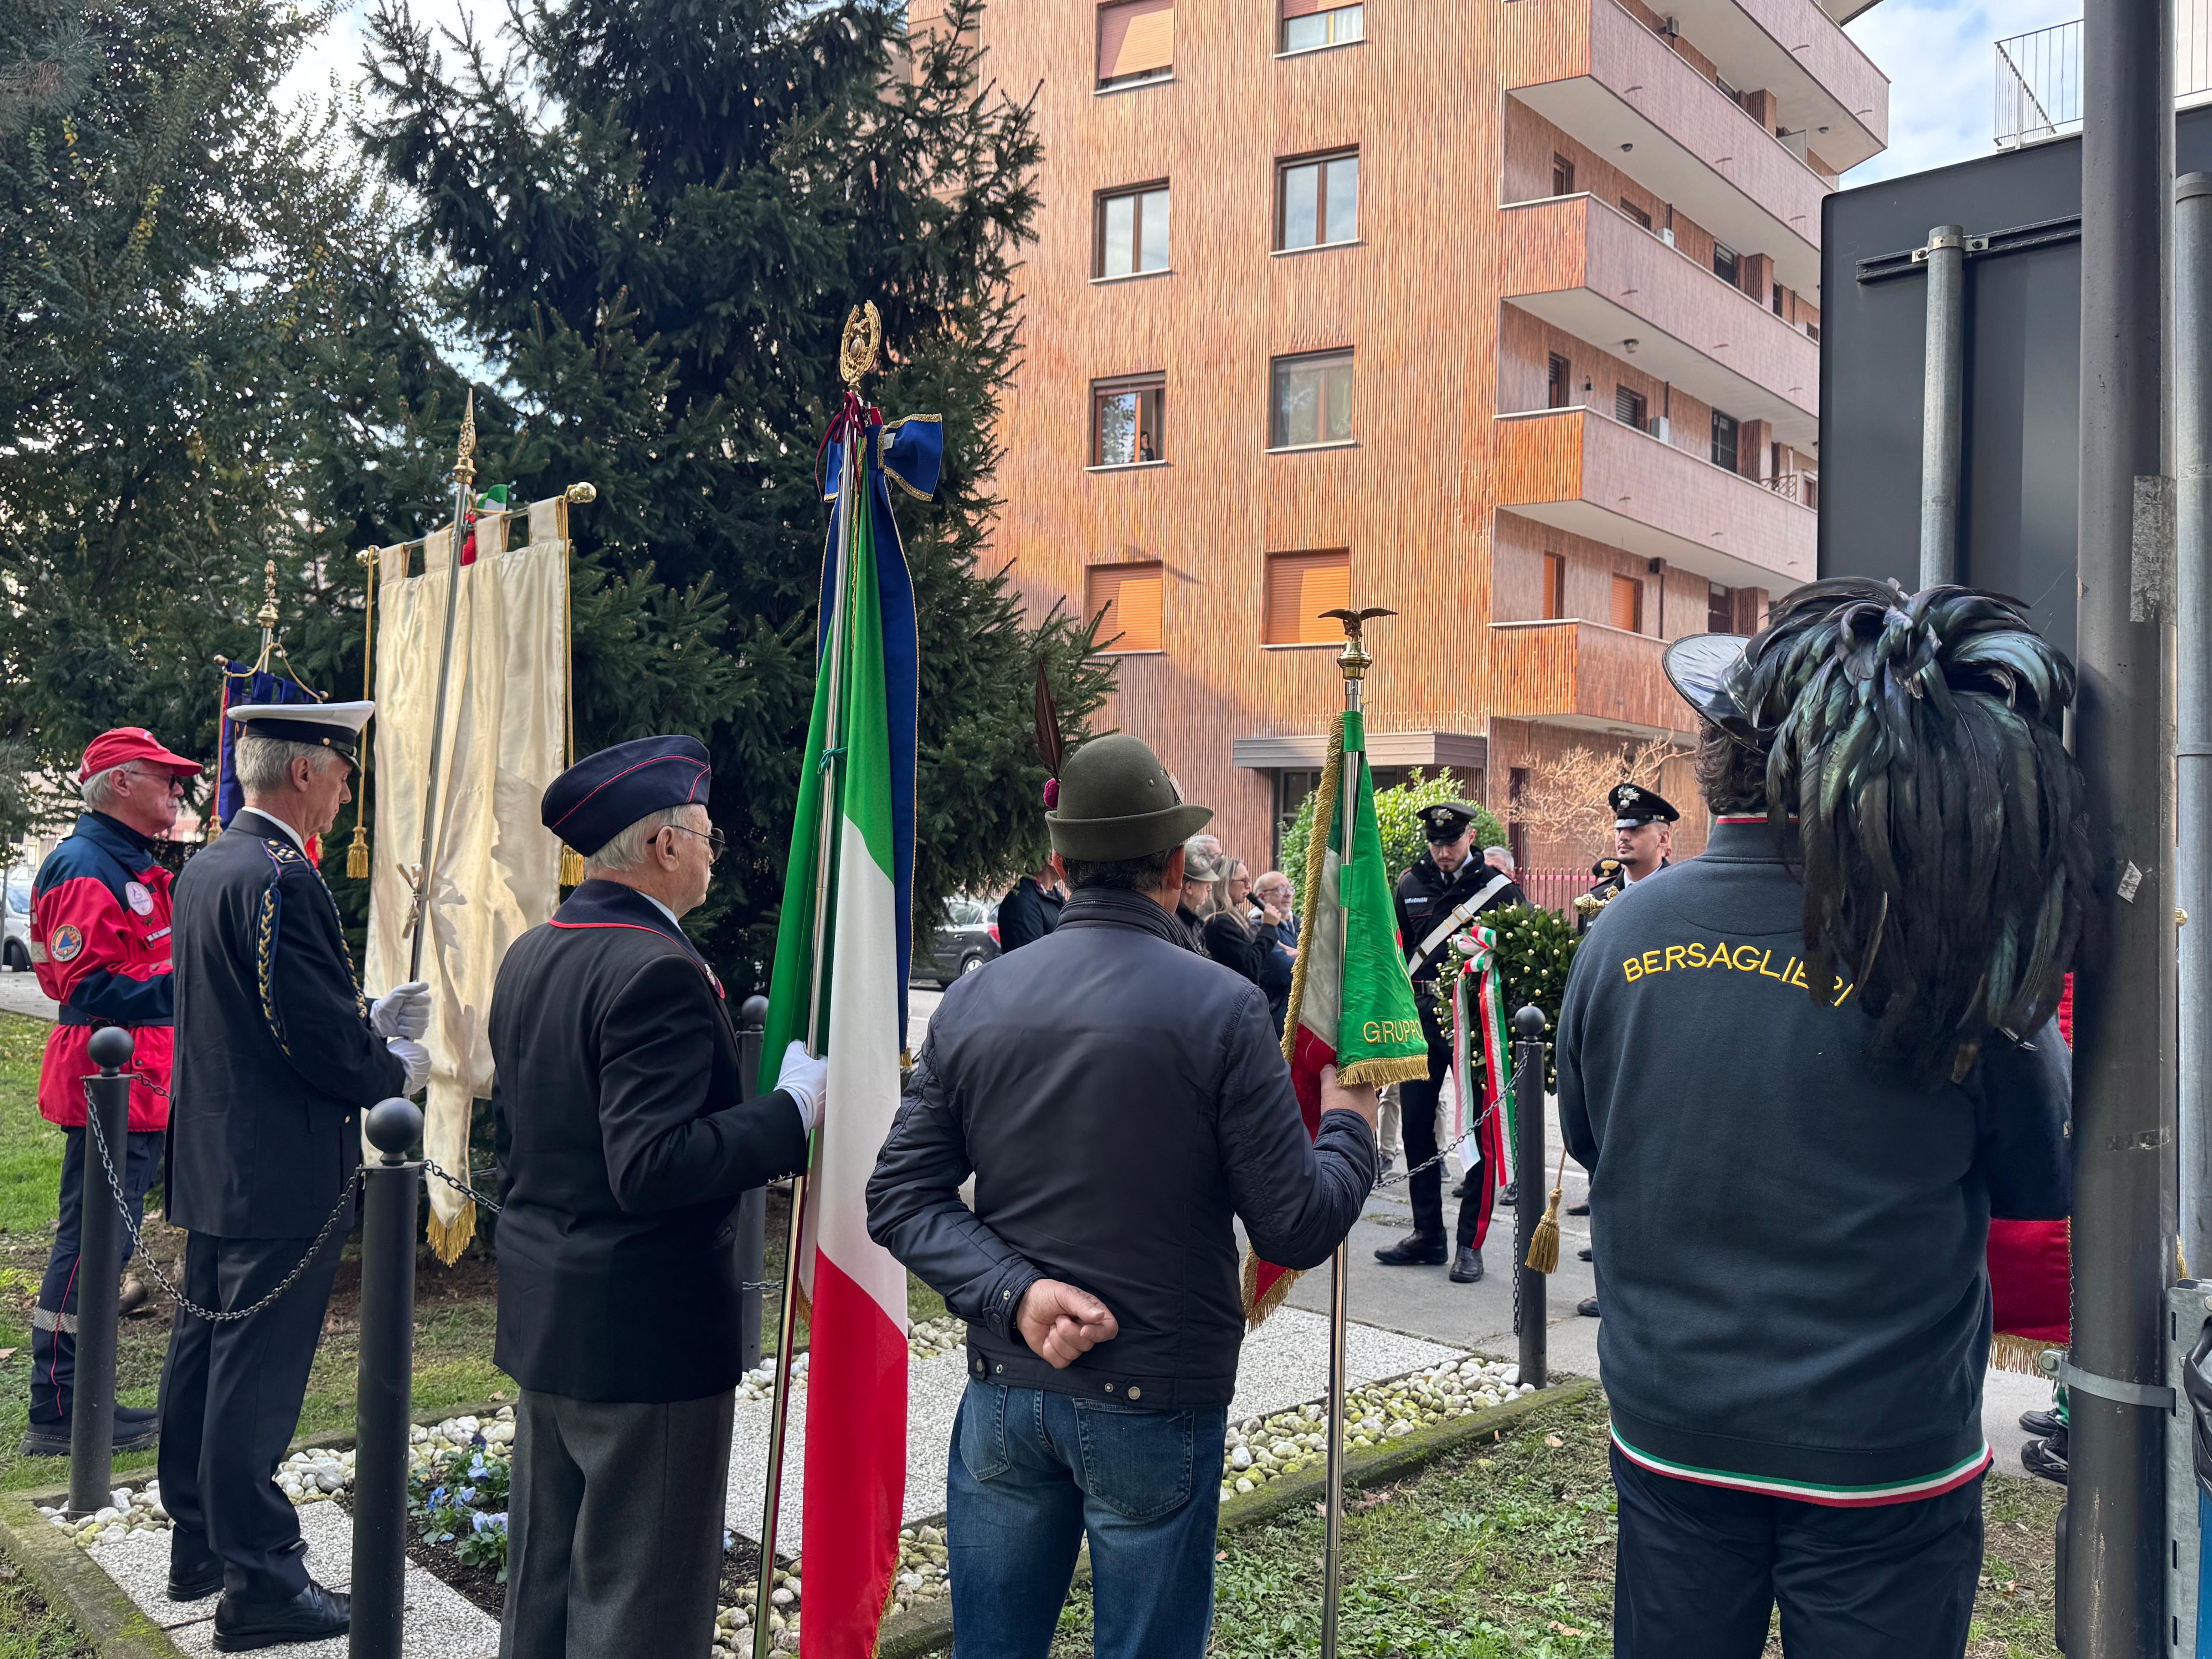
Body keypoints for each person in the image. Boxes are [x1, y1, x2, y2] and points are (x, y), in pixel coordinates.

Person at [1558, 582, 2078, 1658]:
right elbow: (2040, 1180)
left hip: (1673, 1426)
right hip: (1877, 1446)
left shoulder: (1622, 931)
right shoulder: (1944, 941)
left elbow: (1592, 1143)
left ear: (1723, 762)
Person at [866, 733, 1379, 1659]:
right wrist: (1349, 1121)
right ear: (1177, 864)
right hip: (1150, 1396)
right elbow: (1296, 1223)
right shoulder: (1221, 1008)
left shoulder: (975, 1000)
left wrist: (1015, 1296)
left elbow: (901, 1197)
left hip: (1007, 1390)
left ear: (1060, 868)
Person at [489, 735, 823, 1659]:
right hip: (644, 1327)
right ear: (664, 846)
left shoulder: (536, 950)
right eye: (706, 834)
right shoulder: (658, 970)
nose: (716, 851)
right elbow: (653, 1165)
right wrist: (788, 1114)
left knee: (545, 1589)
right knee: (641, 1600)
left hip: (553, 1312)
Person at [161, 701, 428, 1650]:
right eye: (343, 771)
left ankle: (199, 1543)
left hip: (216, 1159)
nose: (348, 790)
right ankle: (260, 1579)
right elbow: (307, 1039)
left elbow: (258, 1010)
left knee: (206, 1360)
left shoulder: (212, 865)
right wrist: (390, 1068)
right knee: (255, 1377)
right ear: (306, 771)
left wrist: (364, 1016)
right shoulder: (281, 877)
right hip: (277, 1169)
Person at [23, 728, 203, 1457]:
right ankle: (59, 1406)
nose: (179, 789)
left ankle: (79, 1394)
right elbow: (86, 982)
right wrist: (196, 984)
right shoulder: (85, 864)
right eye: (165, 778)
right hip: (110, 1082)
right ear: (122, 783)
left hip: (137, 1081)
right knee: (91, 1243)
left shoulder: (122, 862)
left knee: (108, 1240)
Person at [1374, 800, 1523, 1282]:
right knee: (1417, 1128)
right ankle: (1427, 1235)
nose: (1442, 852)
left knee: (1477, 1132)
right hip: (1418, 1019)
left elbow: (1517, 956)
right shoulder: (1409, 884)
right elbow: (1393, 951)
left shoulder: (1497, 890)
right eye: (1435, 844)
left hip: (1473, 1022)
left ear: (1470, 837)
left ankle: (1469, 1244)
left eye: (1451, 842)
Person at [1574, 784, 1676, 934]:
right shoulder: (1596, 899)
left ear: (1663, 838)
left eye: (1635, 829)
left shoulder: (1679, 896)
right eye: (1619, 829)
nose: (1623, 837)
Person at [1201, 857, 1265, 986]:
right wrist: (1269, 927)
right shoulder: (1219, 923)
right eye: (1244, 880)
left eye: (1249, 880)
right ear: (1225, 882)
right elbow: (1250, 966)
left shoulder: (1233, 917)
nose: (1249, 886)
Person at [1248, 871, 1297, 1036]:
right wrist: (1310, 957)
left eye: (1291, 889)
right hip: (1277, 1023)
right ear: (1262, 897)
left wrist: (1299, 955)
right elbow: (1288, 970)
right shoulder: (1257, 930)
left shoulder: (1300, 925)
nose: (1289, 894)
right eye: (1282, 890)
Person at [997, 858, 1065, 953]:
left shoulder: (1056, 896)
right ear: (1050, 859)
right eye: (1067, 855)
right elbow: (1032, 958)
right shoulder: (1021, 902)